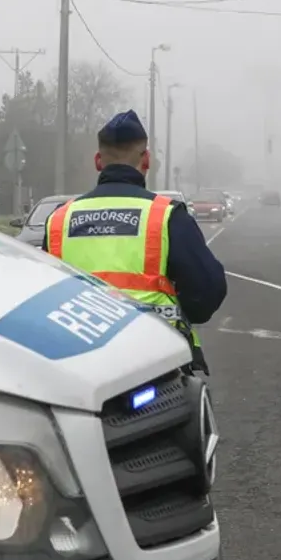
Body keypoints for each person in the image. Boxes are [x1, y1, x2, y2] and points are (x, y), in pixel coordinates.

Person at [43, 110, 227, 373]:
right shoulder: (166, 215)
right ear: (147, 160)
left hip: (76, 362)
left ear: (98, 161)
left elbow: (44, 295)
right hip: (156, 359)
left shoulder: (59, 219)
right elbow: (208, 288)